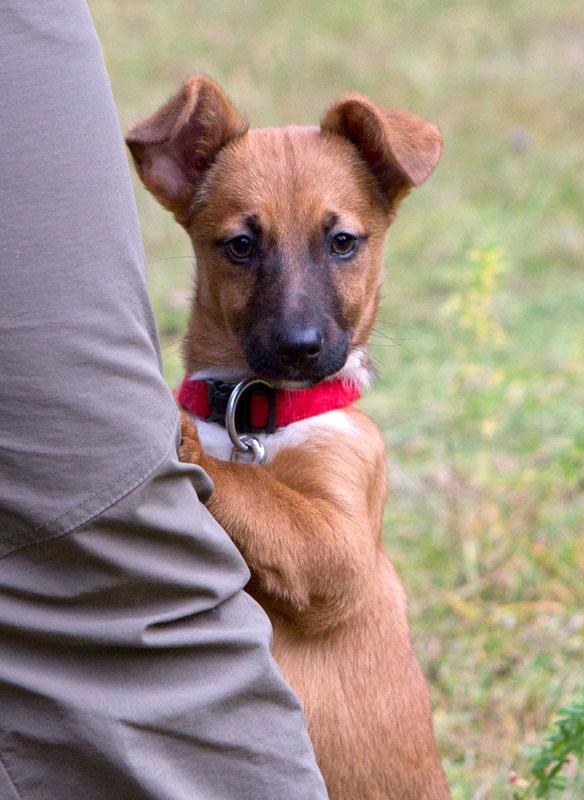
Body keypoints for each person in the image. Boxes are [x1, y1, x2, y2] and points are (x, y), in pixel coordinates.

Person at [0, 3, 328, 798]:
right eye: (244, 248)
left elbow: (328, 577)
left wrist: (187, 450)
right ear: (175, 172)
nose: (298, 322)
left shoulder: (342, 447)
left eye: (341, 245)